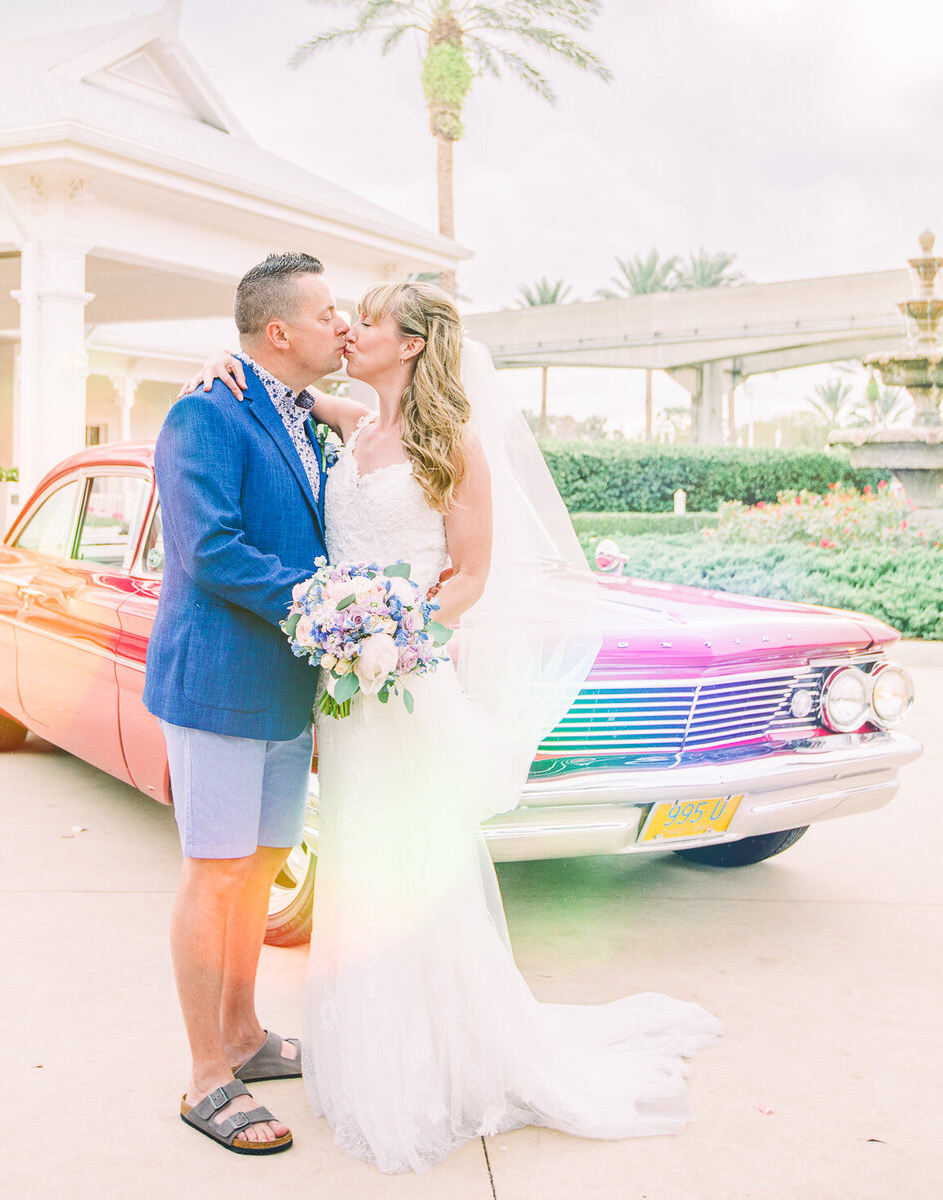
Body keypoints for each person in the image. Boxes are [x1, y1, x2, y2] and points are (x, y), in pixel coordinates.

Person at [184, 278, 721, 1174]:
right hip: (345, 693)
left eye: (372, 320)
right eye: (343, 315)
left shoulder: (452, 443)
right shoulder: (351, 424)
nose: (352, 328)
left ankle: (440, 1060)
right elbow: (263, 381)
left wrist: (396, 638)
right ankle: (368, 1050)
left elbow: (469, 575)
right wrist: (216, 364)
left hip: (404, 682)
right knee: (357, 866)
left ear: (415, 345)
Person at [144, 252, 351, 1155]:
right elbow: (212, 551)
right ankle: (205, 1079)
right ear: (280, 333)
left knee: (263, 867)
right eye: (328, 313)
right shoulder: (204, 411)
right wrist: (322, 610)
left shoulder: (303, 414)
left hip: (282, 689)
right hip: (219, 682)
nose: (342, 326)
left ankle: (245, 1034)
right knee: (217, 870)